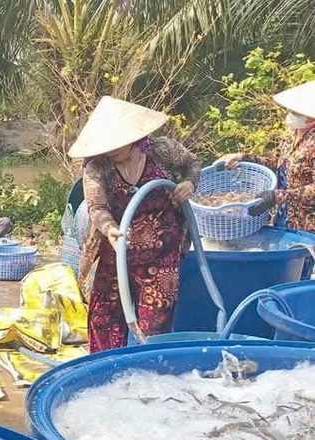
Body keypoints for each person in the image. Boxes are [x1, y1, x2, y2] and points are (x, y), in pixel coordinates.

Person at [70, 96, 199, 352]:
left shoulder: (162, 151)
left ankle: (149, 375)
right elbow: (97, 206)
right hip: (116, 249)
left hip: (162, 254)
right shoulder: (97, 166)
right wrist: (109, 229)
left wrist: (189, 184)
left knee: (155, 324)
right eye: (107, 145)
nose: (113, 150)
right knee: (103, 319)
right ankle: (104, 372)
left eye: (118, 143)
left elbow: (192, 164)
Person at [218, 79, 315, 233]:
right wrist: (244, 157)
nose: (291, 115)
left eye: (296, 111)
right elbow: (279, 162)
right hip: (285, 217)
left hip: (308, 224)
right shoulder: (292, 135)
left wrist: (279, 196)